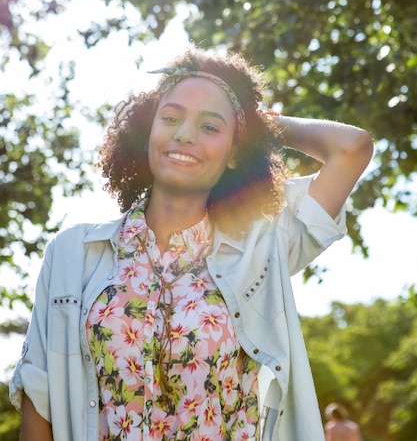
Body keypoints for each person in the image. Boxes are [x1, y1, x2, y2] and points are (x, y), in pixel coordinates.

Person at [10, 47, 374, 441]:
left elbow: (351, 149)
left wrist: (258, 124)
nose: (184, 134)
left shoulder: (263, 248)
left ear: (235, 152)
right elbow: (39, 396)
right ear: (147, 133)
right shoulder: (71, 253)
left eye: (210, 127)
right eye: (170, 118)